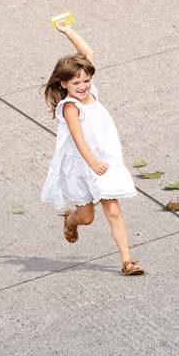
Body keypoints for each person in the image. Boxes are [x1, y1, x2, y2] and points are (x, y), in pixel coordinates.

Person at [39, 18, 142, 274]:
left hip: (103, 160)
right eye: (76, 83)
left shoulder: (90, 92)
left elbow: (88, 53)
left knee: (113, 209)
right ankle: (70, 221)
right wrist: (92, 163)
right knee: (86, 217)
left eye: (86, 81)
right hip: (82, 164)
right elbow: (78, 139)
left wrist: (67, 31)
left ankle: (127, 261)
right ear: (64, 84)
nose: (83, 86)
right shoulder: (70, 106)